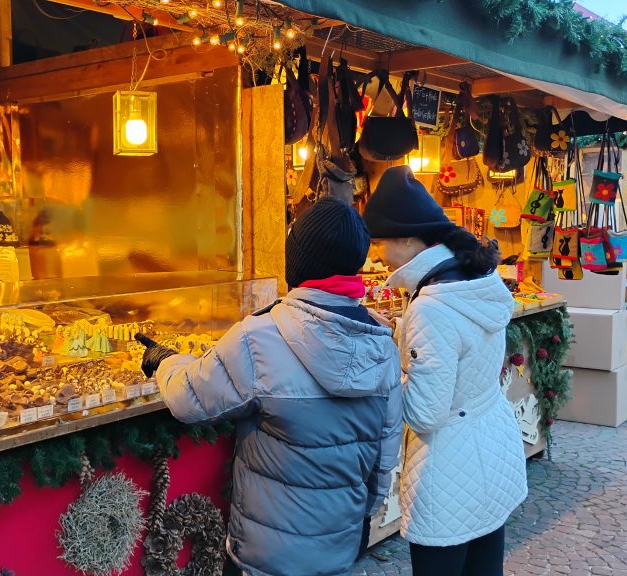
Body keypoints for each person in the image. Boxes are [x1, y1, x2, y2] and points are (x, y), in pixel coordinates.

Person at [136, 197, 402, 576]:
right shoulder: (382, 343)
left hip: (266, 559)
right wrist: (361, 521)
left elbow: (188, 398)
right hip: (340, 547)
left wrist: (165, 360)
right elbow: (384, 457)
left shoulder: (260, 337)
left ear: (297, 262)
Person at [361, 166, 528, 576]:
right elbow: (462, 357)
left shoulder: (430, 307)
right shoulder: (477, 280)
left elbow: (424, 413)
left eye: (381, 242)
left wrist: (393, 364)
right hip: (492, 447)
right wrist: (404, 335)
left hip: (448, 465)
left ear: (406, 238)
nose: (378, 254)